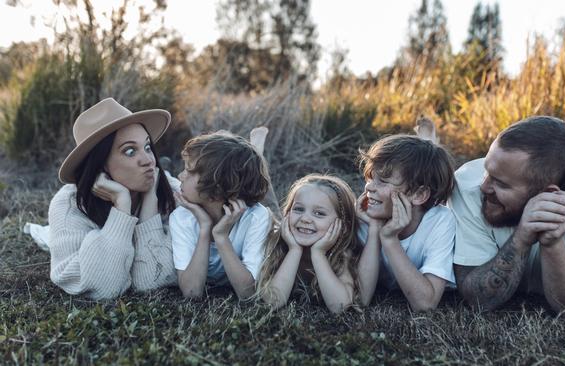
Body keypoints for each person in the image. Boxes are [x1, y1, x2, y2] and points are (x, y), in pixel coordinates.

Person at [448, 115, 565, 315]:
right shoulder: (467, 186)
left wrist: (552, 242)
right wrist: (521, 239)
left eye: (501, 183)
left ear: (548, 194)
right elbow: (477, 299)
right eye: (486, 171)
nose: (484, 186)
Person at [49, 98, 178, 300]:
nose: (148, 161)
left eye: (147, 147)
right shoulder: (69, 206)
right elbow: (104, 287)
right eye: (129, 151)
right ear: (100, 164)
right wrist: (121, 207)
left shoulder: (169, 189)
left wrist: (150, 201)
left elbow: (152, 281)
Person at [356, 134, 456, 312]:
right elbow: (360, 299)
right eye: (371, 178)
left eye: (383, 181)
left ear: (418, 195)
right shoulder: (363, 218)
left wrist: (390, 239)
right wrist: (374, 230)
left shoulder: (439, 221)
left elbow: (426, 304)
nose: (369, 187)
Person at [171, 131, 273, 299]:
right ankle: (255, 151)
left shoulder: (257, 217)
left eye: (188, 171)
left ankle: (257, 150)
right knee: (170, 182)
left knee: (271, 205)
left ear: (217, 189)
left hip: (248, 204)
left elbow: (247, 293)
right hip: (224, 193)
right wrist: (205, 228)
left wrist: (221, 236)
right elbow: (191, 292)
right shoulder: (182, 217)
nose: (181, 175)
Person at [256, 174, 361, 314]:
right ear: (287, 213)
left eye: (319, 213)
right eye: (298, 209)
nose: (305, 219)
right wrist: (294, 250)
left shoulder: (341, 255)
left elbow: (340, 306)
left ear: (342, 225)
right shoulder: (277, 247)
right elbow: (274, 302)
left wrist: (318, 254)